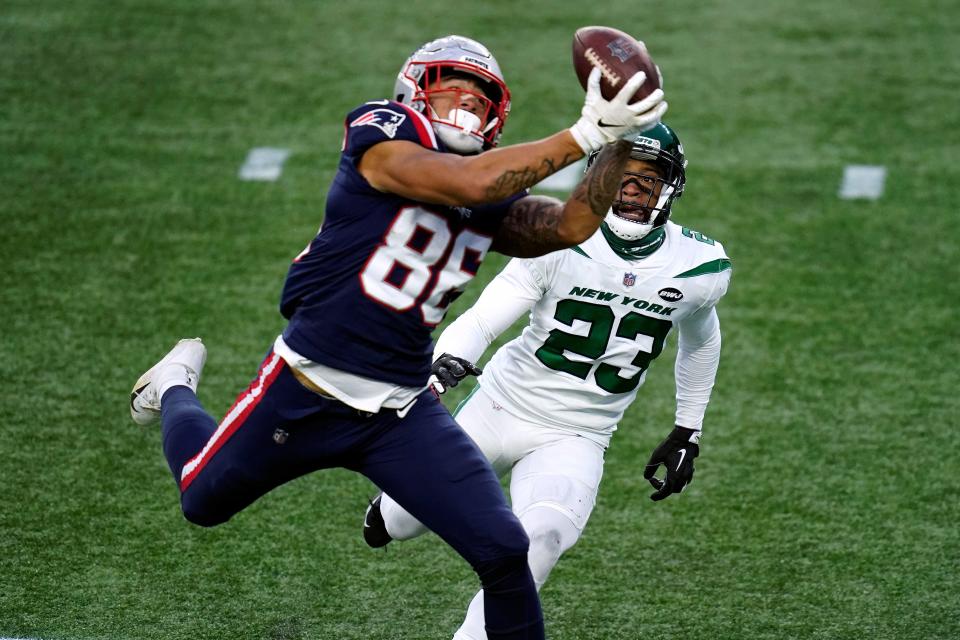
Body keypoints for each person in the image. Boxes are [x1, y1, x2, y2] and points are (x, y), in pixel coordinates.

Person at [128, 35, 667, 640]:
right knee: (202, 502)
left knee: (505, 554)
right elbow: (459, 184)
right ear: (414, 90)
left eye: (480, 94)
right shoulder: (380, 135)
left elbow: (569, 224)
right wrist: (585, 134)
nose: (466, 100)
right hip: (306, 387)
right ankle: (175, 382)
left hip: (398, 412)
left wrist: (622, 144)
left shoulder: (489, 187)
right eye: (452, 86)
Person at [363, 123, 732, 640]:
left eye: (648, 180)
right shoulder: (562, 238)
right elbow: (489, 313)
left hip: (579, 434)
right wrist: (448, 358)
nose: (632, 191)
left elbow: (702, 339)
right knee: (403, 521)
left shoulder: (700, 266)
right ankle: (390, 507)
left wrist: (686, 428)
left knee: (544, 536)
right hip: (500, 406)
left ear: (670, 188)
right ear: (599, 178)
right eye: (623, 177)